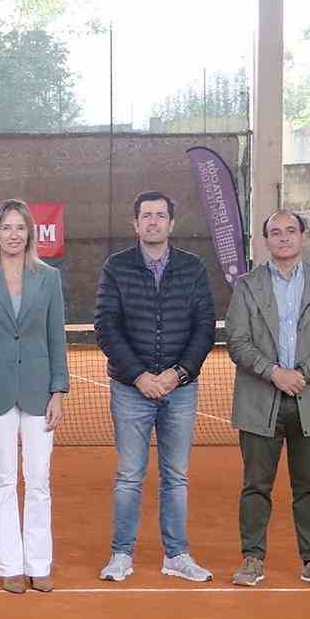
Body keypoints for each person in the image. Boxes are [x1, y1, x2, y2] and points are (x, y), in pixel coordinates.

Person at [94, 191, 215, 583]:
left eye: (160, 216)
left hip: (181, 389)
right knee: (129, 475)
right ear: (135, 224)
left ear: (171, 224)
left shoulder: (193, 268)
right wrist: (140, 376)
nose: (153, 222)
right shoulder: (116, 268)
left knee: (176, 476)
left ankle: (176, 555)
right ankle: (121, 555)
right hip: (131, 390)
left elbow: (204, 327)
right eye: (146, 216)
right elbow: (106, 327)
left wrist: (177, 374)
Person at [225, 211, 310, 589]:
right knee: (255, 485)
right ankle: (252, 557)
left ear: (303, 237)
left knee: (309, 486)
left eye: (290, 231)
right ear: (265, 241)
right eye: (275, 233)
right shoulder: (246, 286)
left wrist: (304, 373)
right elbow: (237, 341)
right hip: (260, 401)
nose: (283, 238)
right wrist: (274, 372)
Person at [0, 199, 68, 594]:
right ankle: (10, 565)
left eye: (20, 228)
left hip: (40, 390)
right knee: (4, 479)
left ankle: (39, 563)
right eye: (6, 227)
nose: (13, 235)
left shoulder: (50, 278)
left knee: (38, 480)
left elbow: (57, 336)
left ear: (30, 234)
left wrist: (59, 390)